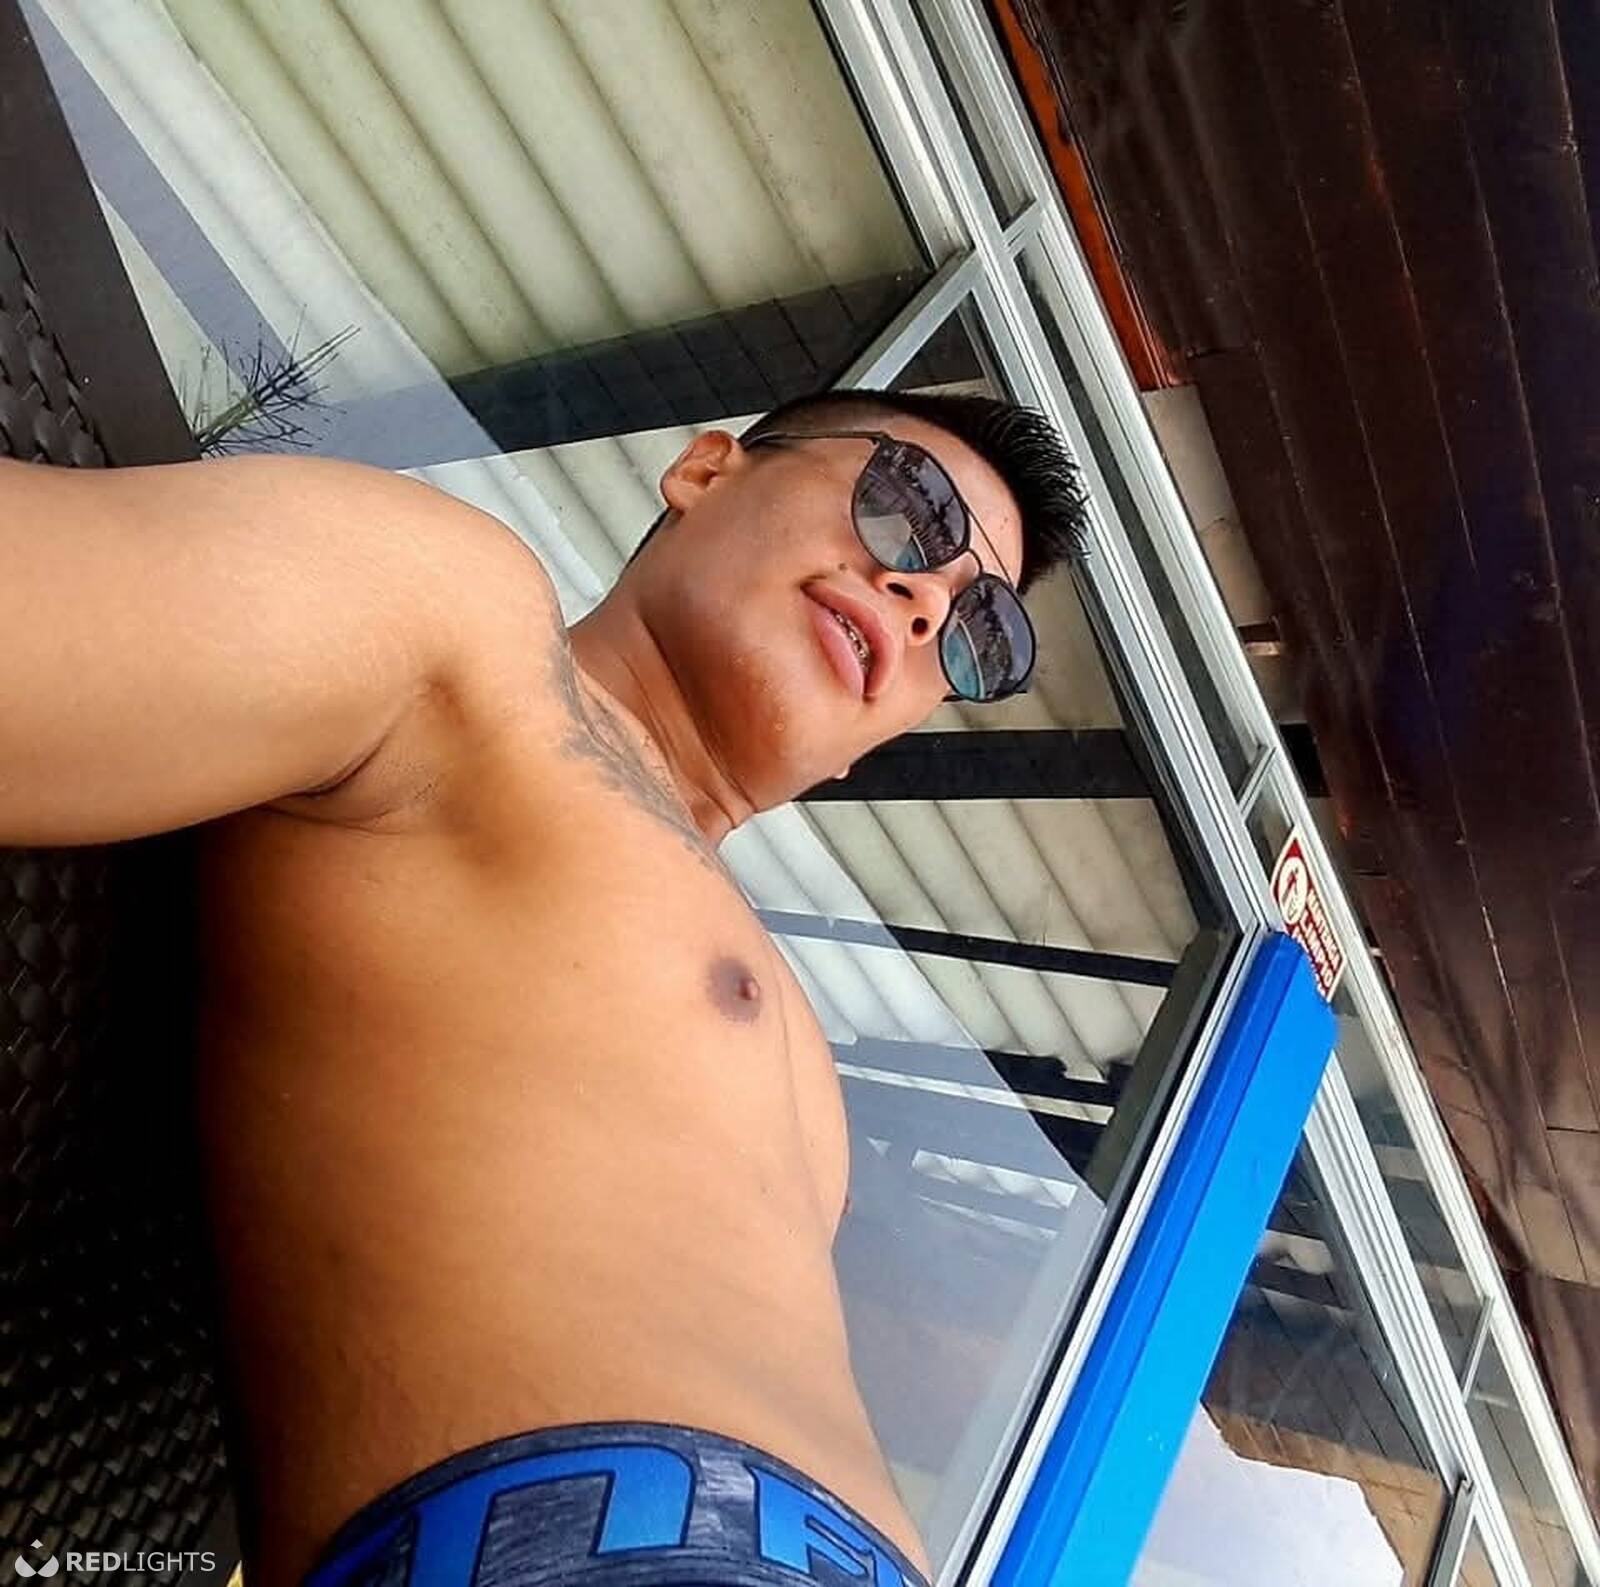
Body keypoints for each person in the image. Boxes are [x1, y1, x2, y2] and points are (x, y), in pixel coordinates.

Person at [0, 387, 1086, 1587]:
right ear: (706, 472)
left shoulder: (795, 1057)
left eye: (979, 627)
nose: (925, 599)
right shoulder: (457, 631)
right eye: (907, 504)